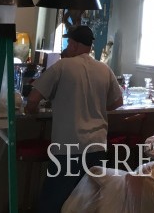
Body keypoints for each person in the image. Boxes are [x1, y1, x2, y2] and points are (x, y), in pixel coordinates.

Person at [25, 24, 123, 213]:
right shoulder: (104, 69)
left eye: (69, 43)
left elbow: (34, 99)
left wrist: (31, 110)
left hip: (68, 147)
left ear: (75, 45)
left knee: (54, 202)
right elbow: (118, 101)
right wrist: (97, 107)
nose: (68, 47)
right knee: (88, 203)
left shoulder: (62, 66)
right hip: (97, 147)